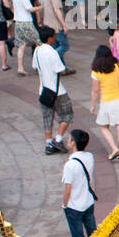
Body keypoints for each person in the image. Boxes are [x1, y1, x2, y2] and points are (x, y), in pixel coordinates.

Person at [34, 25, 72, 156]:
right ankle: (58, 138)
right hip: (58, 92)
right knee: (67, 114)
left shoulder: (37, 51)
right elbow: (61, 69)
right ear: (50, 38)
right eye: (54, 37)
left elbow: (35, 67)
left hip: (43, 91)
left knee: (47, 118)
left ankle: (49, 143)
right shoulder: (52, 52)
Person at [90, 44, 119, 162]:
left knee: (103, 126)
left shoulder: (96, 72)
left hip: (106, 102)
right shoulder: (118, 66)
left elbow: (95, 90)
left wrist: (92, 105)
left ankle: (114, 148)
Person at [61, 129, 98, 237]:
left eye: (69, 139)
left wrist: (65, 204)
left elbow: (68, 189)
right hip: (88, 201)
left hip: (74, 206)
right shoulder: (90, 156)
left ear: (73, 143)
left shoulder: (70, 165)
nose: (67, 140)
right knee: (94, 235)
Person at [11, 0, 41, 76]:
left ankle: (20, 68)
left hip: (18, 22)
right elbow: (29, 9)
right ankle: (38, 66)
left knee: (21, 46)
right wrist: (40, 7)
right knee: (39, 42)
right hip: (26, 22)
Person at [37, 0, 70, 66]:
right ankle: (52, 60)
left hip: (47, 23)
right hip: (56, 25)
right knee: (64, 45)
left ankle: (62, 68)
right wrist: (64, 25)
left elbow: (41, 7)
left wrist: (40, 21)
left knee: (54, 45)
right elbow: (57, 10)